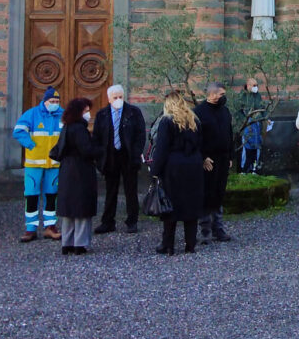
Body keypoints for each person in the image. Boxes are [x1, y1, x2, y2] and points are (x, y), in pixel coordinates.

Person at [150, 90, 204, 255]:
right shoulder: (195, 120)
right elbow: (200, 143)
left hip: (174, 166)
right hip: (193, 165)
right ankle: (190, 245)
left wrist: (155, 170)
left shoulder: (167, 121)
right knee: (191, 206)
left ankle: (168, 245)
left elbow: (162, 149)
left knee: (170, 206)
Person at [93, 83, 147, 234]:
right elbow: (97, 136)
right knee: (111, 190)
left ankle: (132, 221)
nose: (118, 99)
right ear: (109, 99)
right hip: (110, 156)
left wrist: (136, 153)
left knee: (131, 190)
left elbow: (140, 134)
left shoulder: (133, 112)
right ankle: (108, 221)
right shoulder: (102, 114)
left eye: (120, 97)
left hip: (128, 156)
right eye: (115, 97)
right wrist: (99, 156)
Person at [12, 86, 63, 242]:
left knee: (51, 195)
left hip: (54, 164)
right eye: (52, 101)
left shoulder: (62, 115)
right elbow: (18, 131)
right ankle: (30, 228)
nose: (55, 103)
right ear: (45, 101)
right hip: (34, 164)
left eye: (57, 101)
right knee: (31, 195)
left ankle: (50, 226)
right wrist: (31, 145)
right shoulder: (32, 114)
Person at [54, 97, 103, 255]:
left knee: (69, 210)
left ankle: (66, 243)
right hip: (80, 171)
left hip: (67, 170)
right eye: (86, 111)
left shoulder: (67, 127)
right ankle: (79, 244)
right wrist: (100, 149)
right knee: (82, 209)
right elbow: (87, 150)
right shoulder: (79, 129)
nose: (88, 114)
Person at [194, 82, 233, 243]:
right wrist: (203, 157)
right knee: (206, 194)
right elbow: (195, 137)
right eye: (221, 94)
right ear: (212, 95)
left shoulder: (225, 111)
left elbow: (229, 134)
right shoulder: (199, 112)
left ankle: (218, 228)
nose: (223, 97)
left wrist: (231, 156)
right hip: (207, 160)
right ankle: (204, 229)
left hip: (223, 158)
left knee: (218, 193)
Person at [239, 77, 266, 173]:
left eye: (257, 85)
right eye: (254, 85)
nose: (256, 87)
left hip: (257, 123)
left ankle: (255, 169)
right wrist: (244, 121)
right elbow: (239, 111)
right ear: (248, 85)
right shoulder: (243, 95)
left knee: (257, 147)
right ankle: (244, 169)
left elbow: (262, 107)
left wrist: (266, 118)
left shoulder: (257, 95)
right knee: (247, 148)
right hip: (247, 124)